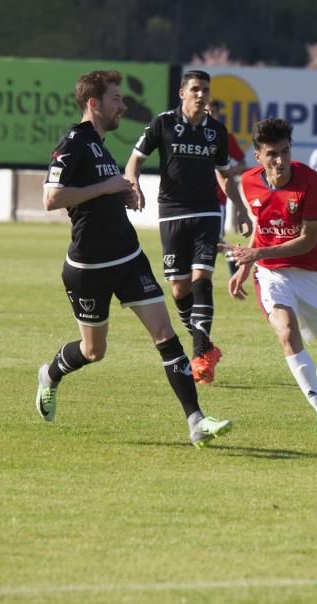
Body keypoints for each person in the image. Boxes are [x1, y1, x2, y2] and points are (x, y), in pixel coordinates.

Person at [37, 70, 232, 448]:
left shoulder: (100, 143)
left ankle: (196, 421)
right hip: (88, 269)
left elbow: (96, 195)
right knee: (94, 351)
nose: (123, 106)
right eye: (116, 100)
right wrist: (107, 187)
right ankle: (50, 373)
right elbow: (51, 198)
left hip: (128, 258)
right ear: (93, 104)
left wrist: (118, 196)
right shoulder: (75, 142)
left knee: (167, 336)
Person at [222, 118, 317, 440]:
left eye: (285, 151)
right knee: (286, 332)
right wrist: (245, 267)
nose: (280, 161)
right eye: (272, 154)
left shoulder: (313, 183)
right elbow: (261, 230)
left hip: (312, 273)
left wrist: (254, 256)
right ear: (258, 157)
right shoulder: (250, 182)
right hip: (272, 272)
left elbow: (307, 241)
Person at [125, 70, 231, 385]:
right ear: (182, 93)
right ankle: (208, 347)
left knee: (201, 279)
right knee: (179, 289)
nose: (201, 95)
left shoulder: (217, 131)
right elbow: (135, 160)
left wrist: (240, 208)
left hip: (207, 213)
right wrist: (134, 185)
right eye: (195, 89)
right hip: (171, 212)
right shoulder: (163, 123)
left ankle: (199, 354)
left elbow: (223, 174)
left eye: (206, 90)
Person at [206, 100, 253, 275]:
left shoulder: (224, 136)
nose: (209, 114)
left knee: (215, 241)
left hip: (218, 197)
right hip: (195, 197)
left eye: (212, 111)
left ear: (218, 114)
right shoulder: (192, 135)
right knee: (205, 240)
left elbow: (242, 163)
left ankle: (235, 256)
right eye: (206, 111)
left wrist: (225, 171)